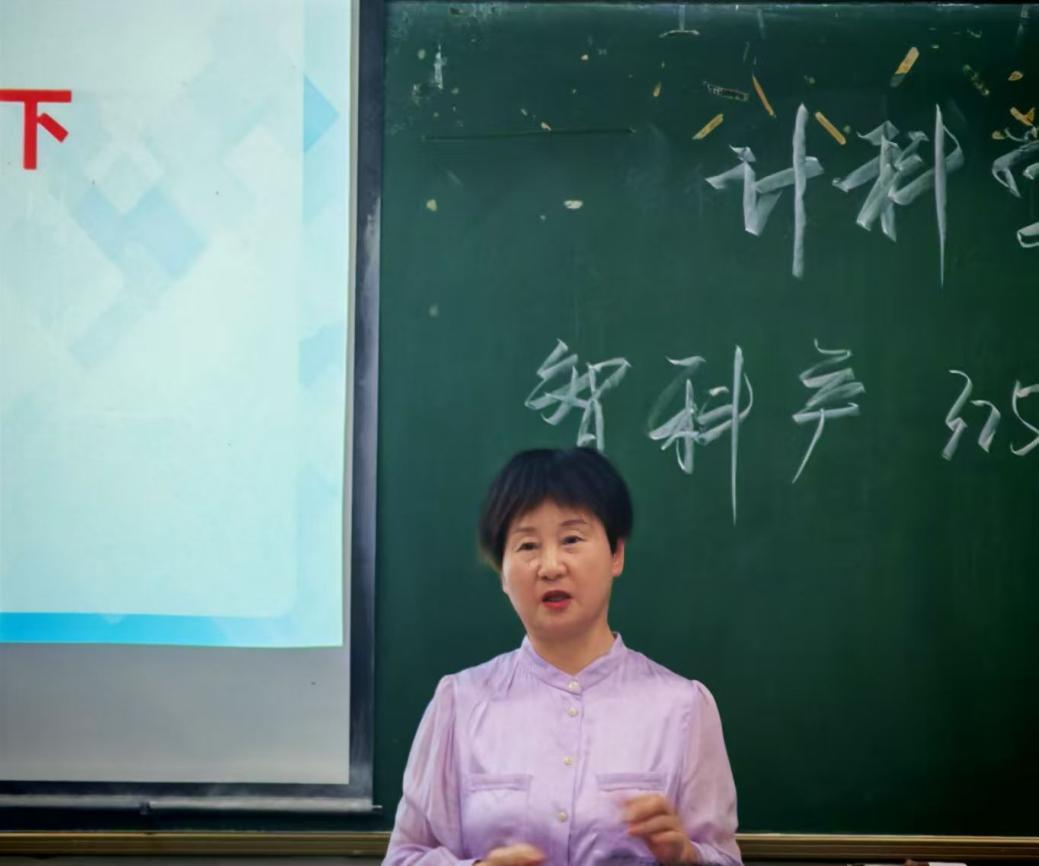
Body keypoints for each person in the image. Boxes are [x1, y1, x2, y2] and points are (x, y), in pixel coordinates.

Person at [385, 447, 741, 866]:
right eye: (527, 545)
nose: (550, 566)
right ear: (502, 573)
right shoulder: (459, 703)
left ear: (616, 554)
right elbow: (404, 856)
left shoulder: (683, 707)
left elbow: (724, 858)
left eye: (571, 539)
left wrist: (686, 857)